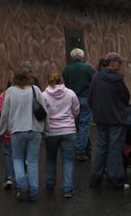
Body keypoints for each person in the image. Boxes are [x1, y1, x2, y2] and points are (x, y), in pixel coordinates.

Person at [0, 68, 49, 202]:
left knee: (17, 158)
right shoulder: (35, 90)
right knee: (32, 161)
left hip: (17, 131)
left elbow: (5, 113)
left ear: (14, 79)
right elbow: (44, 111)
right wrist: (46, 129)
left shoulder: (10, 92)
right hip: (35, 130)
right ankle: (34, 193)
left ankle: (22, 184)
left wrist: (1, 131)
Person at [87, 52, 131, 189]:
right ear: (112, 63)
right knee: (115, 149)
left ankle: (95, 178)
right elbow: (126, 98)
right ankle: (115, 179)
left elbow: (90, 98)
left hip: (101, 118)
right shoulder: (118, 79)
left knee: (101, 148)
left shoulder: (96, 76)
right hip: (116, 119)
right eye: (119, 62)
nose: (121, 65)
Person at [42, 70, 80, 198]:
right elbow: (76, 110)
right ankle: (67, 189)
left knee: (51, 159)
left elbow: (41, 113)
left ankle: (50, 183)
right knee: (68, 160)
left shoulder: (43, 95)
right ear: (61, 80)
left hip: (51, 131)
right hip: (68, 130)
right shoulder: (70, 93)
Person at [62, 48, 96, 162]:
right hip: (85, 98)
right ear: (82, 56)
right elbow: (95, 82)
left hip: (72, 98)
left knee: (76, 125)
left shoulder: (67, 69)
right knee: (85, 125)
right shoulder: (88, 68)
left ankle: (85, 148)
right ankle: (80, 149)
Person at [0, 81, 14, 190]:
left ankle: (9, 177)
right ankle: (24, 176)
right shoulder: (20, 94)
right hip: (19, 130)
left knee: (8, 155)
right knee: (20, 155)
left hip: (7, 131)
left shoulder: (2, 96)